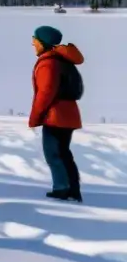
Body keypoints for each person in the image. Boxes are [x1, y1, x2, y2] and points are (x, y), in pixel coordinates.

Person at [29, 25, 85, 202]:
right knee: (63, 152)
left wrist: (35, 117)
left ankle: (62, 189)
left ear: (43, 43)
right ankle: (72, 189)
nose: (33, 44)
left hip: (55, 115)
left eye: (35, 41)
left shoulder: (48, 63)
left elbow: (46, 92)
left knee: (53, 153)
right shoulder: (61, 60)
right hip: (68, 113)